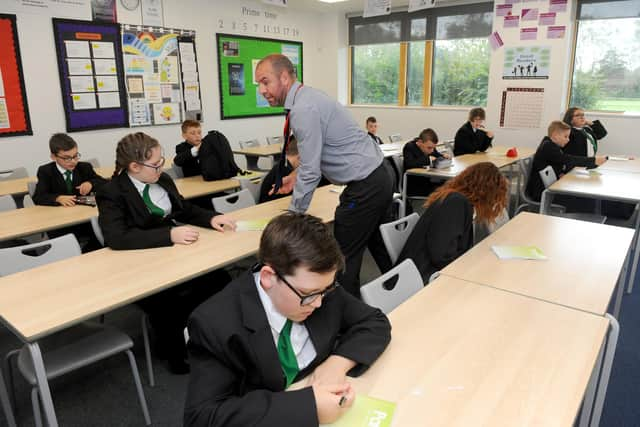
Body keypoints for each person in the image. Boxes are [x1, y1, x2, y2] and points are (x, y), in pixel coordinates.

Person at [184, 212, 391, 427]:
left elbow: (375, 321)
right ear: (268, 277)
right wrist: (309, 407)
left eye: (326, 290)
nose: (318, 303)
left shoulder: (318, 288)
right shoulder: (215, 323)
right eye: (308, 294)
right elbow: (202, 417)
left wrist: (337, 364)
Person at [96, 132, 236, 374]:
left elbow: (184, 209)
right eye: (156, 163)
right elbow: (116, 237)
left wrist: (212, 217)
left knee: (220, 279)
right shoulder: (113, 192)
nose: (162, 166)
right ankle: (174, 350)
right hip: (138, 262)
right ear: (134, 166)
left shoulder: (163, 179)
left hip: (173, 256)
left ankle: (204, 335)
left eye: (162, 160)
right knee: (171, 299)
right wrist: (168, 236)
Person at [255, 54, 393, 296]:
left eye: (265, 82)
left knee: (340, 257)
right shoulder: (309, 97)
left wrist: (293, 219)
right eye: (259, 84)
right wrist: (295, 175)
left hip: (366, 184)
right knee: (378, 243)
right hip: (379, 175)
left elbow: (311, 169)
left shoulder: (302, 109)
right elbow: (313, 158)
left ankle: (343, 318)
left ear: (284, 77)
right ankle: (398, 290)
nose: (261, 90)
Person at [396, 162, 508, 282]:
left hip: (425, 269)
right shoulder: (456, 204)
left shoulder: (458, 199)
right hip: (422, 277)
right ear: (486, 192)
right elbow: (442, 256)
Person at [33, 133, 107, 251]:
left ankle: (88, 254)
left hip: (84, 220)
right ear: (53, 156)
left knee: (104, 232)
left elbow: (103, 183)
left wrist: (91, 184)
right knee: (65, 246)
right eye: (67, 158)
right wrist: (57, 198)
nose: (73, 161)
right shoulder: (46, 171)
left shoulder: (84, 167)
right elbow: (38, 197)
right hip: (59, 222)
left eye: (75, 156)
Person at [526, 120, 606, 203]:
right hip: (541, 192)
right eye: (565, 136)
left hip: (548, 187)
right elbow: (567, 159)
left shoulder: (550, 144)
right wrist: (593, 160)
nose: (568, 140)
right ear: (555, 135)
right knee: (583, 198)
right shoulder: (548, 147)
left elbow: (560, 163)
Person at [174, 119, 243, 181]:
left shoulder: (207, 144)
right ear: (184, 136)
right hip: (194, 182)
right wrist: (196, 149)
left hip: (212, 178)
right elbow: (178, 160)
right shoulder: (181, 147)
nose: (197, 136)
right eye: (193, 133)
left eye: (199, 132)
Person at [402, 128, 449, 197]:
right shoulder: (409, 147)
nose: (432, 150)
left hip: (429, 180)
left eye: (433, 148)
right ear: (420, 142)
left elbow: (435, 154)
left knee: (450, 185)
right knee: (446, 190)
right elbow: (410, 164)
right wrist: (428, 159)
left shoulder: (430, 147)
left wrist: (443, 156)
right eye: (429, 148)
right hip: (416, 185)